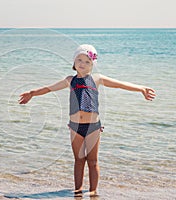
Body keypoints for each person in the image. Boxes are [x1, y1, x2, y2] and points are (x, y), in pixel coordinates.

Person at [18, 44, 156, 197]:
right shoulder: (69, 80)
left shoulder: (96, 79)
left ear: (92, 65)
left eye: (87, 62)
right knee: (78, 160)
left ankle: (93, 192)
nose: (82, 64)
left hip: (93, 127)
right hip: (75, 127)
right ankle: (77, 191)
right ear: (74, 62)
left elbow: (119, 84)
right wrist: (32, 93)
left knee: (92, 161)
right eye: (79, 60)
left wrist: (141, 88)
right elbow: (48, 88)